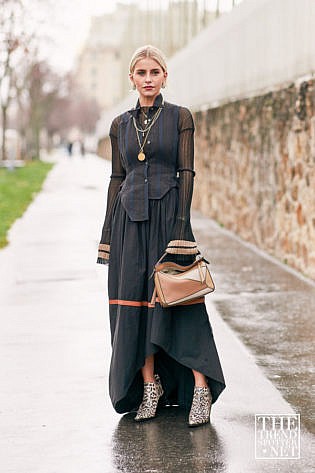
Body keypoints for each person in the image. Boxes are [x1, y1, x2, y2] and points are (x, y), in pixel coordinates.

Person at [97, 45, 225, 427]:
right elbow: (116, 178)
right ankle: (148, 386)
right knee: (133, 306)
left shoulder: (181, 117)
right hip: (128, 222)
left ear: (164, 76)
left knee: (180, 300)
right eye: (142, 73)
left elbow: (187, 172)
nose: (148, 78)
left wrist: (182, 227)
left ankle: (200, 388)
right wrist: (106, 233)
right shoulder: (120, 124)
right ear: (132, 78)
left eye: (155, 72)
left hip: (168, 218)